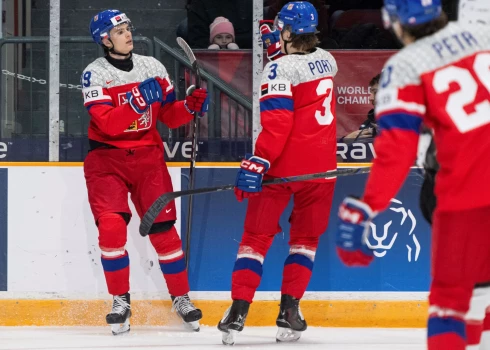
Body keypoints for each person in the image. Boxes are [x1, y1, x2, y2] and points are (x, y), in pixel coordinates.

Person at [333, 0, 490, 349]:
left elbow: (396, 153)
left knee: (450, 305)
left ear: (395, 23)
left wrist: (367, 206)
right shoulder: (481, 34)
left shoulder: (406, 66)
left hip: (464, 194)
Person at [81, 9, 209, 335]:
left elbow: (168, 115)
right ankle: (120, 300)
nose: (128, 34)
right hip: (107, 160)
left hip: (149, 159)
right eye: (120, 30)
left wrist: (189, 107)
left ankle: (181, 297)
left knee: (164, 229)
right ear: (104, 39)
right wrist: (138, 100)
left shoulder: (153, 66)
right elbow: (107, 123)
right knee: (111, 227)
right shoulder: (93, 74)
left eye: (128, 28)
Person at [218, 1, 338, 345]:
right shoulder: (328, 61)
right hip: (323, 170)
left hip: (283, 169)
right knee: (305, 241)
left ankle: (239, 311)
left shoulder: (278, 71)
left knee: (255, 240)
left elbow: (279, 122)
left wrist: (260, 160)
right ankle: (290, 311)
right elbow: (304, 65)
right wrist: (279, 52)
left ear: (285, 32)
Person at [187, 0, 253, 49]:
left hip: (247, 54)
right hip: (210, 53)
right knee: (183, 28)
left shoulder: (252, 4)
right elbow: (198, 39)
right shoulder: (199, 4)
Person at [342, 73, 380, 140]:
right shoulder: (369, 123)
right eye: (371, 92)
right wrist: (345, 141)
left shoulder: (402, 124)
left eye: (375, 92)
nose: (370, 98)